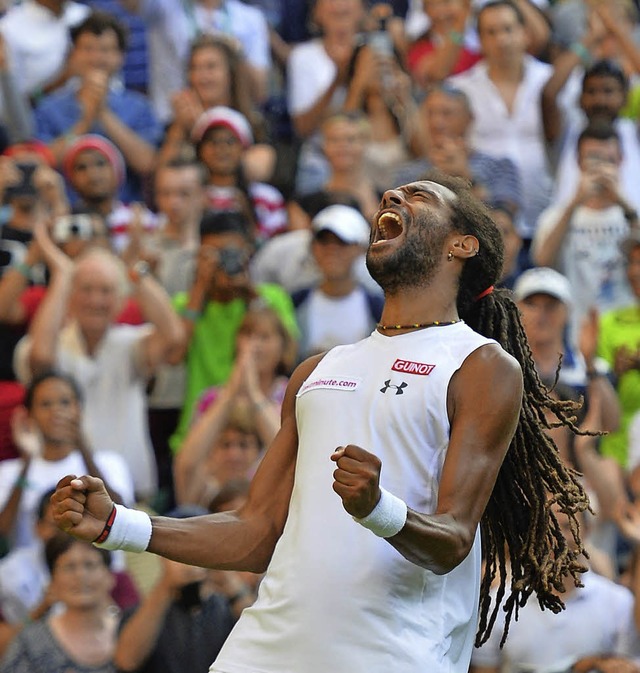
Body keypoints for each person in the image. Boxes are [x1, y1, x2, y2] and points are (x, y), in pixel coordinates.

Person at [51, 174, 590, 672]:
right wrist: (116, 525)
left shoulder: (481, 365)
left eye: (419, 196)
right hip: (264, 648)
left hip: (390, 654)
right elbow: (255, 530)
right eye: (389, 196)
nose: (392, 199)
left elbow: (451, 539)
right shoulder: (317, 369)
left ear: (462, 244)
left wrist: (376, 509)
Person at [0, 532, 119, 673]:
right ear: (52, 580)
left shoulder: (131, 632)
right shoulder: (30, 643)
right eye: (69, 567)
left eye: (90, 565)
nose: (80, 576)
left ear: (109, 576)